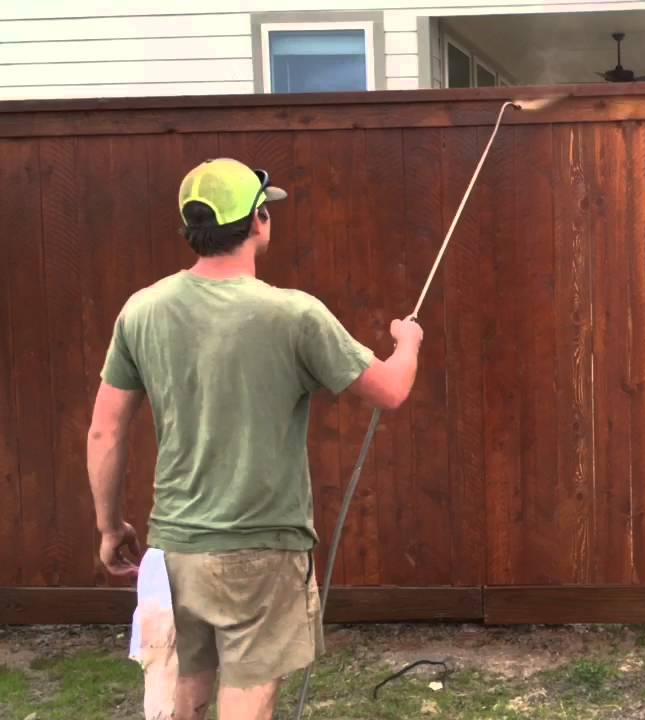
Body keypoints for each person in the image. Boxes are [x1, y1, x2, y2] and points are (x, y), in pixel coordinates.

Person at [86, 157, 423, 720]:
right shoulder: (293, 314)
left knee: (184, 690)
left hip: (176, 547)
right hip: (262, 551)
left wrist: (107, 527)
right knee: (248, 699)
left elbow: (104, 428)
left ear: (191, 228)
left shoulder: (140, 311)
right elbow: (390, 391)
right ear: (260, 220)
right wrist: (406, 340)